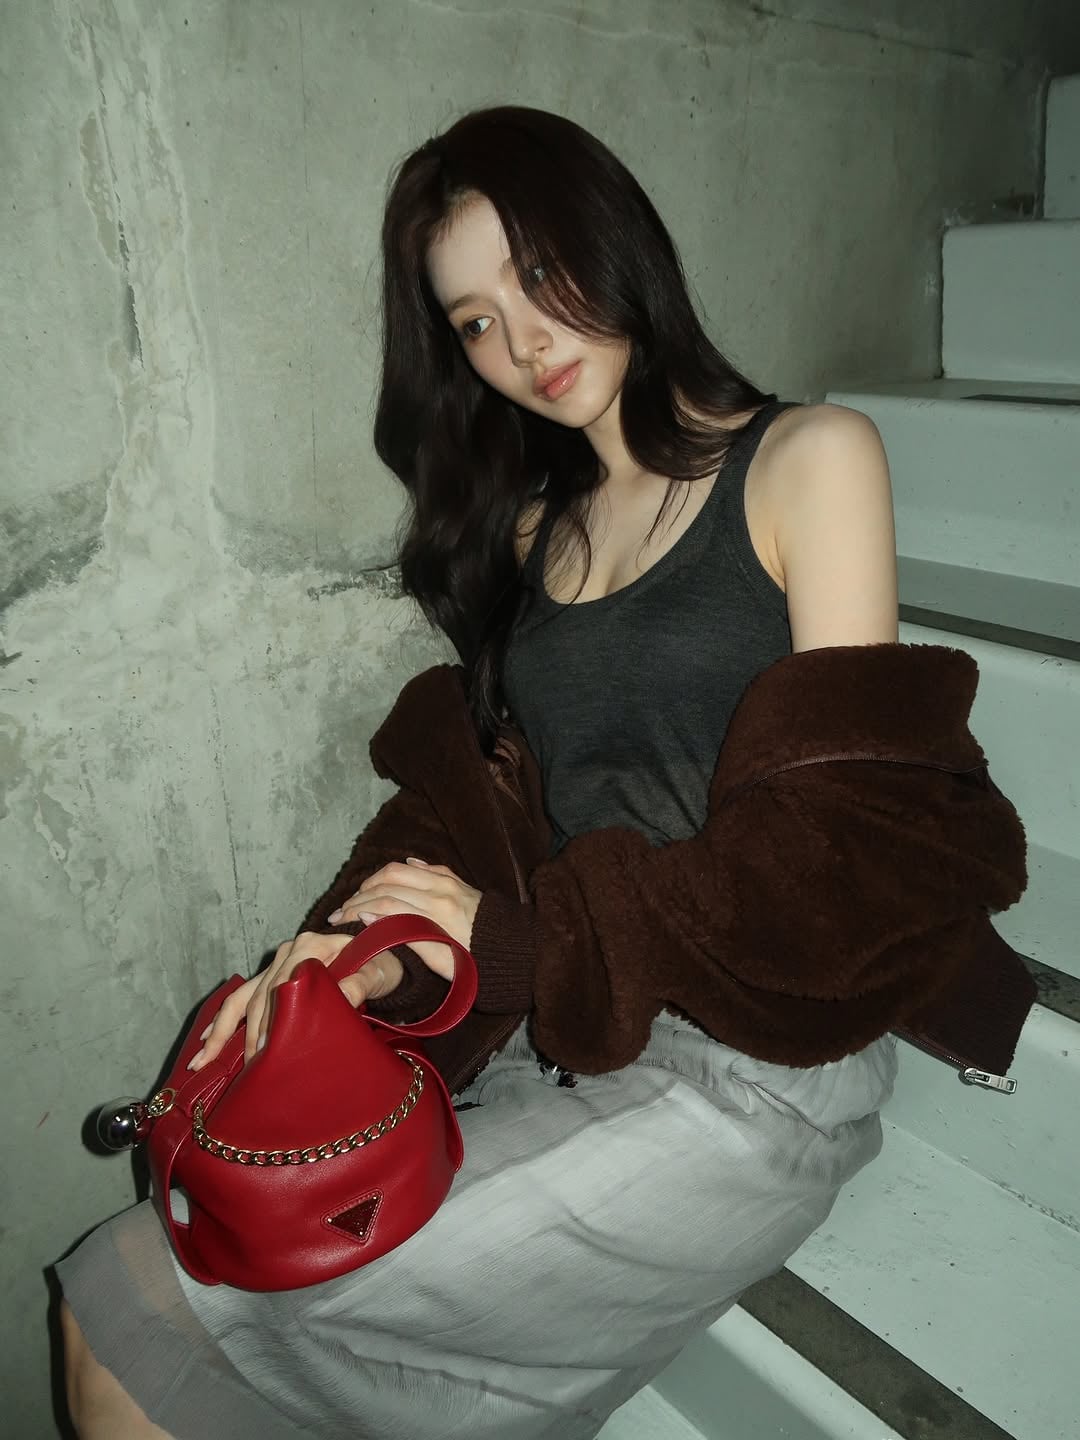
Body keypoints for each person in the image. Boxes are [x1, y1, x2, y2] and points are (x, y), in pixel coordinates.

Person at [58, 106, 1033, 1440]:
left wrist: (519, 942)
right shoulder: (530, 535)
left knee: (143, 1302)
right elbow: (480, 825)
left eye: (536, 275)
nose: (519, 344)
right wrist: (346, 957)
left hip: (765, 1060)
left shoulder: (809, 461)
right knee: (161, 1268)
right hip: (559, 1038)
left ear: (613, 239)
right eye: (474, 319)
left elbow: (845, 853)